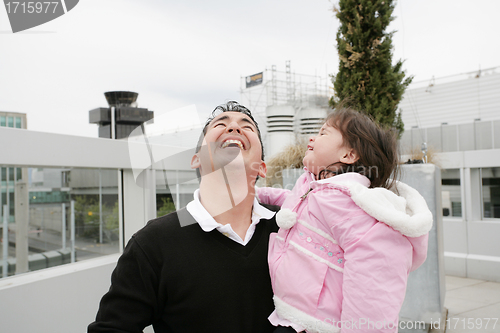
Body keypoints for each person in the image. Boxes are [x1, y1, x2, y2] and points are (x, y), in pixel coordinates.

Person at [88, 101, 279, 333]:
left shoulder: (294, 228)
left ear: (262, 168)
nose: (234, 128)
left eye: (246, 126)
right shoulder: (153, 243)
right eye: (221, 124)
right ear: (196, 160)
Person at [257, 107, 433, 333]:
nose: (312, 138)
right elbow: (295, 202)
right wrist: (259, 195)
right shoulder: (318, 189)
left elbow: (373, 283)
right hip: (292, 314)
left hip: (316, 326)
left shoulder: (348, 203)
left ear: (348, 155)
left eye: (323, 133)